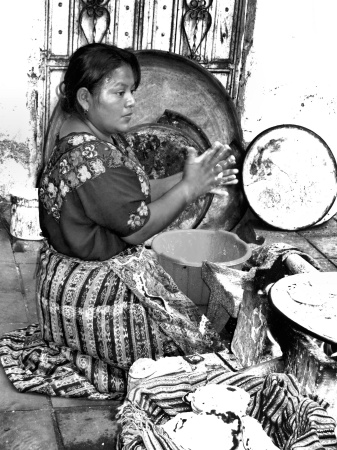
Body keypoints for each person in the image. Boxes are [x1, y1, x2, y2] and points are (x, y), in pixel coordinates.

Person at [0, 43, 239, 400]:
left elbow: (133, 194)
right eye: (119, 92)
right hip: (87, 293)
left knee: (188, 325)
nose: (130, 101)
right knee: (189, 355)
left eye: (132, 92)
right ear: (85, 97)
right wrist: (189, 190)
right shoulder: (92, 157)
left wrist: (190, 177)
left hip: (65, 275)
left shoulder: (85, 138)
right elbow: (140, 226)